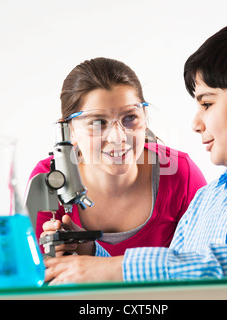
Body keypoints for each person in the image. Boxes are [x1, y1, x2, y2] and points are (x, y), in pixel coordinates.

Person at [44, 17, 227, 300]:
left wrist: (117, 269)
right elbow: (169, 292)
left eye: (207, 103)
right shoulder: (207, 200)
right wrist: (91, 256)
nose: (195, 123)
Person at [30, 57, 207, 257]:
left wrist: (92, 255)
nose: (118, 137)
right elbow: (31, 271)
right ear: (68, 129)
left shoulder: (181, 174)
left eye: (130, 118)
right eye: (98, 122)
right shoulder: (48, 178)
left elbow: (200, 270)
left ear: (144, 115)